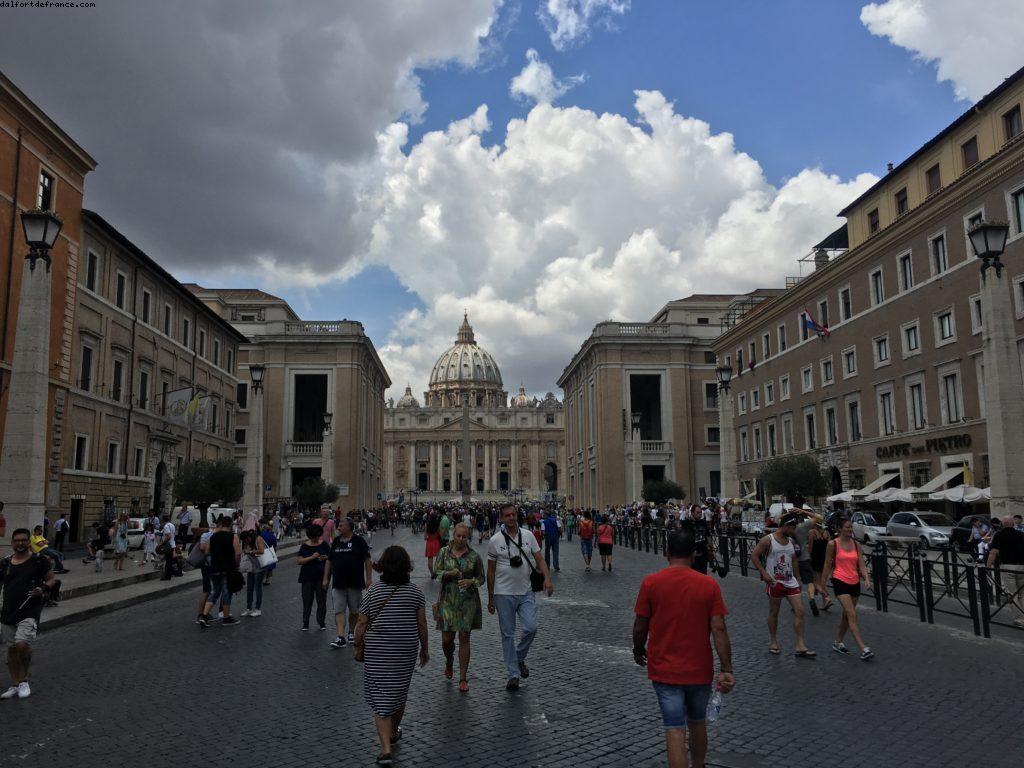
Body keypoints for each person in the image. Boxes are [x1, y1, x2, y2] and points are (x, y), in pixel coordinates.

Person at [633, 529, 735, 768]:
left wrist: (638, 649)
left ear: (666, 553)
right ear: (694, 554)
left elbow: (640, 625)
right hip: (699, 668)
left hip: (665, 668)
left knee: (674, 728)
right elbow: (719, 629)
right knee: (697, 722)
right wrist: (727, 668)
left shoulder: (651, 583)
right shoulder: (708, 585)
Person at [354, 546, 428, 766]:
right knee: (399, 690)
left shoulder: (374, 592)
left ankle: (386, 748)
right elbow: (422, 624)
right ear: (407, 567)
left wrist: (357, 644)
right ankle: (394, 731)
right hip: (405, 649)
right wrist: (425, 649)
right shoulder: (415, 592)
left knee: (380, 695)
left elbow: (361, 622)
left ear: (383, 566)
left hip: (378, 650)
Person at [486, 504, 553, 691]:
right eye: (507, 515)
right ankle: (513, 674)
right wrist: (490, 598)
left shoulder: (528, 535)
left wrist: (547, 579)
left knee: (531, 628)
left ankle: (519, 657)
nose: (511, 518)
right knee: (507, 635)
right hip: (503, 593)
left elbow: (539, 559)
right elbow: (490, 571)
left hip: (526, 591)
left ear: (518, 516)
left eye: (514, 514)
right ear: (501, 518)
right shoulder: (494, 540)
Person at [1, 529, 57, 700]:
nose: (20, 543)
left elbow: (51, 579)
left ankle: (24, 680)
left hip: (29, 610)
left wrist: (43, 589)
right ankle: (15, 683)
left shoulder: (39, 560)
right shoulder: (5, 563)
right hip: (8, 611)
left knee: (22, 644)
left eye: (24, 540)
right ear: (12, 542)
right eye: (17, 540)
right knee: (11, 650)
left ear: (29, 542)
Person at [750, 513, 816, 658]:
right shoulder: (768, 540)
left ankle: (800, 645)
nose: (794, 531)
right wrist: (764, 574)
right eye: (793, 528)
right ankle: (773, 641)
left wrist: (798, 578)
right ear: (786, 526)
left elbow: (793, 560)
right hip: (775, 582)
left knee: (800, 611)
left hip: (790, 581)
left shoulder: (791, 541)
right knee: (774, 613)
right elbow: (754, 556)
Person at [433, 523, 485, 693]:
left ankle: (463, 677)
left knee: (464, 637)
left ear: (467, 537)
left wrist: (472, 582)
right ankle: (449, 661)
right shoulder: (443, 552)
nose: (461, 539)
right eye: (458, 536)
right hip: (448, 600)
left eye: (464, 536)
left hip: (468, 601)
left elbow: (481, 578)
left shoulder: (474, 556)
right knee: (447, 640)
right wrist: (448, 574)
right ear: (453, 535)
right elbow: (436, 573)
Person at [822, 518, 874, 660]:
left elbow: (861, 564)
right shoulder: (833, 544)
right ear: (840, 529)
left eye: (851, 527)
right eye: (847, 527)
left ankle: (837, 642)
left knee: (846, 615)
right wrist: (823, 584)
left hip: (854, 582)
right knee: (851, 614)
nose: (850, 530)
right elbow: (827, 564)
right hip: (840, 580)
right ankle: (863, 648)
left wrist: (867, 579)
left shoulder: (856, 544)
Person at [324, 517, 372, 648]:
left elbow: (367, 560)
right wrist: (326, 578)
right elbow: (329, 560)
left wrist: (369, 579)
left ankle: (351, 632)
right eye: (338, 525)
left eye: (341, 525)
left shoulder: (359, 541)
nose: (338, 527)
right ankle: (340, 637)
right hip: (338, 583)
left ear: (349, 527)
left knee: (354, 611)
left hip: (355, 582)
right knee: (339, 610)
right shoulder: (336, 542)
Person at [199, 516, 241, 627]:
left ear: (221, 524)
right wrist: (237, 565)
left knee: (215, 592)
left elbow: (206, 551)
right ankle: (226, 618)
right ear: (231, 524)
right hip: (227, 568)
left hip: (214, 568)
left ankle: (204, 615)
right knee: (226, 593)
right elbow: (238, 553)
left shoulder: (213, 536)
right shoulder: (233, 536)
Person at [987, 515, 1024, 628]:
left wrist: (987, 566)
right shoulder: (1021, 534)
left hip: (1007, 567)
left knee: (1012, 594)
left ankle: (1020, 619)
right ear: (1013, 524)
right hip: (1022, 567)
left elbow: (993, 552)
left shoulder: (999, 535)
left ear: (1002, 524)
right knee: (1022, 594)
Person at [298, 523, 330, 631]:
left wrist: (326, 557)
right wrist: (312, 557)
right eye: (314, 536)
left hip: (321, 577)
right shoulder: (305, 546)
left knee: (321, 601)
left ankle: (321, 622)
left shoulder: (324, 545)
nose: (316, 538)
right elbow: (299, 561)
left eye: (318, 536)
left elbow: (330, 559)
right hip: (307, 577)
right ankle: (305, 623)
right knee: (307, 601)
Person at [793, 512, 817, 615]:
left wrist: (787, 514)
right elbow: (817, 517)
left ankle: (797, 604)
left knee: (797, 581)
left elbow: (777, 519)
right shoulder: (803, 528)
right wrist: (802, 511)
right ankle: (811, 598)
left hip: (794, 560)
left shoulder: (790, 529)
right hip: (805, 558)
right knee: (810, 581)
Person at [239, 529, 267, 617]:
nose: (245, 542)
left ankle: (258, 609)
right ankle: (249, 608)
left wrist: (250, 552)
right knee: (249, 589)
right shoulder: (246, 542)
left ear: (248, 537)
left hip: (260, 567)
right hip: (251, 568)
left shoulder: (258, 539)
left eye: (246, 540)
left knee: (258, 588)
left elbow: (262, 551)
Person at [807, 521, 833, 613]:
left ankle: (827, 597)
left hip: (815, 559)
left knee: (816, 582)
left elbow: (810, 548)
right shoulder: (826, 532)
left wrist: (808, 559)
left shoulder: (812, 532)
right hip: (824, 559)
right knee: (822, 582)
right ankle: (825, 602)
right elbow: (830, 546)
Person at [424, 511, 441, 578]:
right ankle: (438, 572)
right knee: (438, 559)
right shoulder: (437, 525)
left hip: (429, 543)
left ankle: (432, 573)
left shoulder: (426, 525)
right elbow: (440, 534)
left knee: (430, 560)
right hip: (436, 542)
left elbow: (425, 537)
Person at [159, 514, 177, 581]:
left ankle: (167, 576)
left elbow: (168, 536)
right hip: (172, 544)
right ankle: (169, 575)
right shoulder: (172, 525)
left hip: (168, 546)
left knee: (168, 561)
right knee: (170, 561)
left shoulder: (166, 526)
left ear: (163, 520)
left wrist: (162, 543)